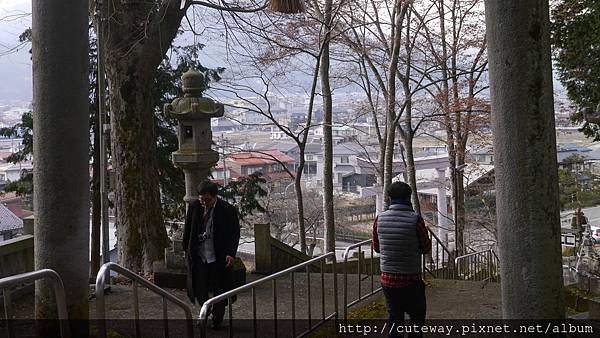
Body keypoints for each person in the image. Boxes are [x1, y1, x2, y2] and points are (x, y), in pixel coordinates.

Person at [372, 181, 431, 338]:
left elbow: (376, 248)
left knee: (394, 318)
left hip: (388, 279)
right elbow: (426, 248)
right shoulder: (415, 220)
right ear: (409, 197)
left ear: (390, 198)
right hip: (411, 279)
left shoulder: (379, 219)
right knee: (417, 319)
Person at [182, 180, 240, 329]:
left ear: (215, 197)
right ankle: (205, 310)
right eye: (201, 198)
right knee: (199, 287)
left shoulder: (227, 210)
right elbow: (188, 228)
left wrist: (230, 253)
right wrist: (186, 249)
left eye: (207, 199)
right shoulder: (195, 206)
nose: (203, 202)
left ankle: (217, 318)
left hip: (218, 255)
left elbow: (234, 234)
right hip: (199, 255)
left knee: (220, 288)